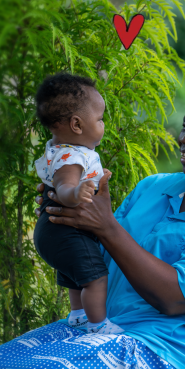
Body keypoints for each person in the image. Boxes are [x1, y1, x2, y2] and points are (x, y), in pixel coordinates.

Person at [0, 81, 185, 369]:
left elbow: (175, 299)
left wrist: (105, 226)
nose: (184, 138)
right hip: (103, 329)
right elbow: (101, 256)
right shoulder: (152, 188)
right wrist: (68, 214)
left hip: (170, 351)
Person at [33, 73, 123, 335]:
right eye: (100, 119)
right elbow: (63, 188)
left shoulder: (65, 151)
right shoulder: (71, 157)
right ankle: (98, 326)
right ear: (76, 124)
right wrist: (77, 193)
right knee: (95, 277)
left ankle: (78, 315)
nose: (103, 125)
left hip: (54, 231)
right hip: (65, 230)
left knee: (75, 274)